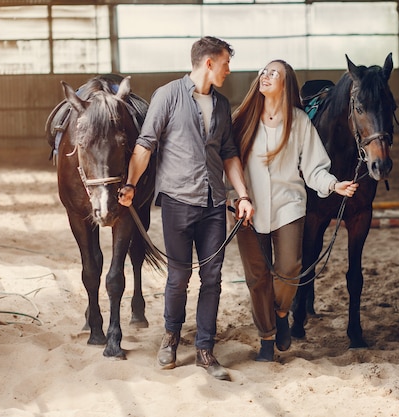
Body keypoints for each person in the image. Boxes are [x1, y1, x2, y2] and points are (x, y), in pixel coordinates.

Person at [118, 36, 254, 381]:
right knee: (178, 277)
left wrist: (242, 195)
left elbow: (229, 153)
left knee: (213, 278)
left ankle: (206, 350)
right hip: (178, 200)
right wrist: (132, 185)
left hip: (212, 204)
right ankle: (171, 339)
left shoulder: (222, 105)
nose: (228, 70)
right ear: (208, 62)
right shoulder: (166, 96)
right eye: (225, 63)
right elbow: (145, 145)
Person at [230, 60, 358, 362]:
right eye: (264, 71)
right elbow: (228, 161)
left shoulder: (299, 121)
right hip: (248, 208)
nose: (266, 75)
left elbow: (314, 167)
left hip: (289, 205)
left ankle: (282, 312)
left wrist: (332, 185)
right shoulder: (242, 118)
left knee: (289, 268)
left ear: (286, 84)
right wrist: (235, 197)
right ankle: (266, 338)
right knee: (257, 278)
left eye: (274, 73)